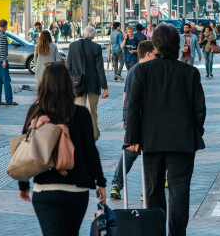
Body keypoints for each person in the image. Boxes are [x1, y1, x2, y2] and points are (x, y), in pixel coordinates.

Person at [126, 24, 207, 236]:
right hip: (182, 140)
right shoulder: (190, 72)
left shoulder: (142, 70)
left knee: (153, 190)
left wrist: (132, 138)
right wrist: (194, 130)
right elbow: (200, 109)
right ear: (177, 45)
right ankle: (177, 233)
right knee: (179, 191)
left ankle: (155, 232)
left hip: (151, 139)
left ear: (156, 44)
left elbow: (134, 106)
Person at [17, 63, 108, 236]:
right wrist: (100, 182)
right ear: (68, 84)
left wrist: (23, 184)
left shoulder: (36, 112)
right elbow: (91, 151)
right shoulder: (81, 114)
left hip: (45, 189)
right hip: (77, 190)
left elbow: (24, 151)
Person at [110, 40, 155, 200]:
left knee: (130, 153)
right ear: (148, 53)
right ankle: (147, 189)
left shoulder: (132, 70)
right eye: (155, 53)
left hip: (132, 118)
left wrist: (125, 118)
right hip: (145, 119)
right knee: (149, 155)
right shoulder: (146, 70)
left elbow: (125, 97)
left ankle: (116, 184)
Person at [67, 25, 109, 141]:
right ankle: (93, 135)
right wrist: (105, 87)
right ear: (93, 36)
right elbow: (100, 69)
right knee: (93, 111)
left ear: (83, 34)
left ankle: (79, 136)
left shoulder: (73, 46)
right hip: (93, 84)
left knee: (79, 110)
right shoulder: (96, 47)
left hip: (77, 84)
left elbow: (68, 67)